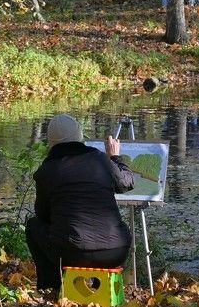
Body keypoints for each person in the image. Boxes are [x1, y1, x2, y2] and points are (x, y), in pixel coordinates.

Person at [26, 114, 135, 294]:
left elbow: (42, 215)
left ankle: (53, 287)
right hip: (116, 250)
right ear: (79, 136)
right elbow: (127, 183)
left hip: (71, 254)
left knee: (33, 226)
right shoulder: (100, 160)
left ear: (50, 141)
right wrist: (114, 157)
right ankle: (100, 290)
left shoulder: (47, 170)